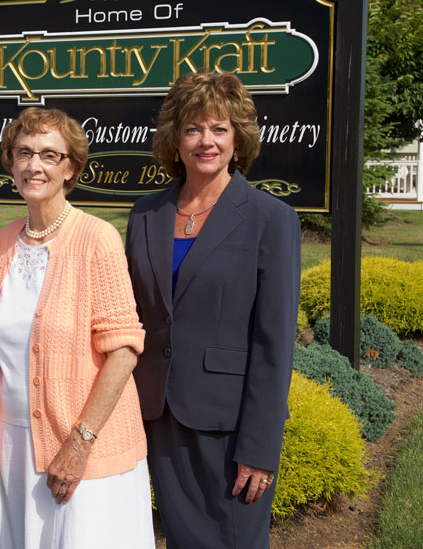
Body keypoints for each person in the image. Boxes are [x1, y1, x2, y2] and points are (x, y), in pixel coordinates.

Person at [125, 71, 301, 547]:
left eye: (219, 129)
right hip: (157, 416)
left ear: (238, 137)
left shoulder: (271, 219)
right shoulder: (146, 213)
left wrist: (260, 448)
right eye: (193, 129)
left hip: (228, 426)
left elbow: (274, 342)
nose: (207, 141)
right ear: (174, 139)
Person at [0, 106, 154, 549]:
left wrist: (80, 444)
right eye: (23, 153)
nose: (33, 165)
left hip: (83, 450)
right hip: (14, 447)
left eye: (49, 155)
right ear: (11, 161)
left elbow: (123, 349)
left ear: (70, 167)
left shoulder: (97, 238)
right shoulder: (3, 242)